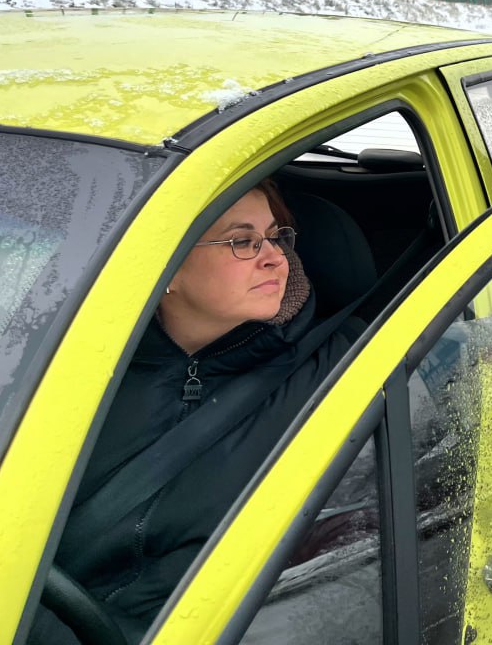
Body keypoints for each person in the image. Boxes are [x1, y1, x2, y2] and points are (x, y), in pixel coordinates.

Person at [33, 180, 360, 644]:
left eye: (277, 236)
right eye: (242, 241)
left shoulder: (344, 365)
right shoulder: (73, 365)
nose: (275, 257)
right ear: (166, 267)